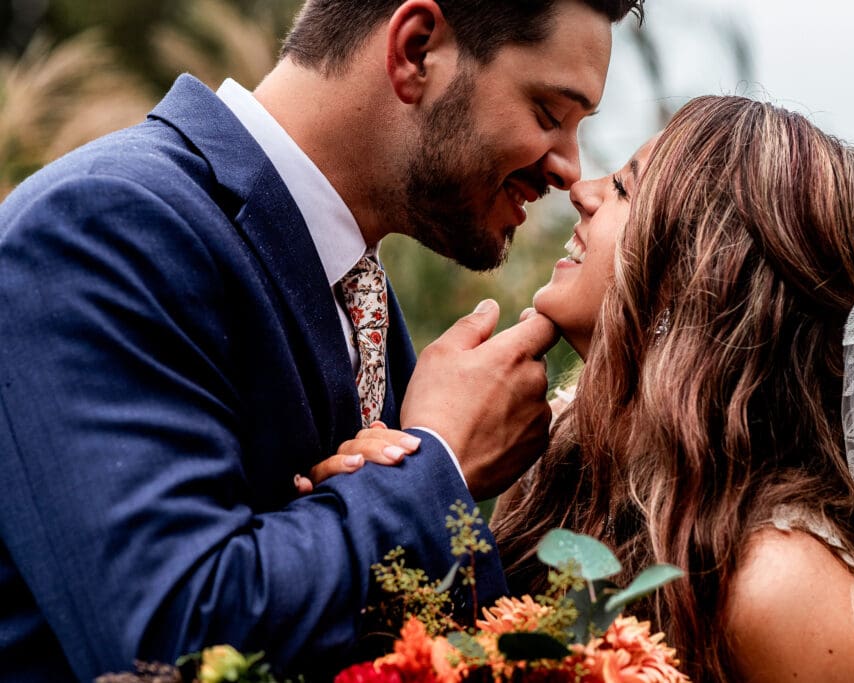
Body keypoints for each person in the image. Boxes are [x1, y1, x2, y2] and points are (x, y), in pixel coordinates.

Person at [0, 1, 644, 680]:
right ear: (416, 50)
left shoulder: (360, 292)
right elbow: (171, 634)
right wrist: (440, 463)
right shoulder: (104, 225)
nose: (571, 169)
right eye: (549, 113)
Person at [490, 96, 854, 681]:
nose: (582, 191)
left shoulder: (781, 586)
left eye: (623, 191)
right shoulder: (552, 449)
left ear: (692, 279)